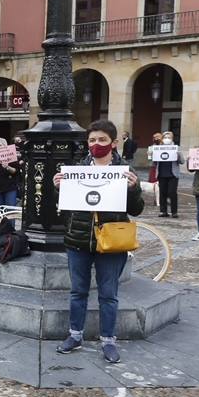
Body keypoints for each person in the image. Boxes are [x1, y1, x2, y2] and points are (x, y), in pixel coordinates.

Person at [52, 119, 144, 364]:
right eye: (92, 140)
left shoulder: (126, 171)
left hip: (112, 241)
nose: (96, 144)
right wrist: (58, 188)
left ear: (113, 143)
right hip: (79, 240)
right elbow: (63, 206)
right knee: (77, 291)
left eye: (102, 140)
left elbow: (137, 210)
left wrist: (134, 190)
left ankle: (108, 340)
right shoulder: (76, 169)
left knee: (108, 294)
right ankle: (75, 335)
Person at [157, 129, 181, 217]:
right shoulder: (158, 148)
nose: (167, 138)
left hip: (173, 174)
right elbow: (153, 162)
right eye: (165, 137)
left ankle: (174, 212)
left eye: (169, 137)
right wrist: (151, 154)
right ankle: (163, 211)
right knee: (162, 192)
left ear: (172, 138)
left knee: (172, 192)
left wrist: (178, 154)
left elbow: (181, 161)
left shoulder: (176, 147)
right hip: (162, 173)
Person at [147, 131, 163, 210]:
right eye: (155, 137)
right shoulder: (151, 147)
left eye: (158, 137)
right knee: (153, 183)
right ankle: (156, 199)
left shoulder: (165, 146)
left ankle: (163, 198)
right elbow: (150, 158)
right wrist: (149, 154)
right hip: (154, 166)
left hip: (162, 167)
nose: (156, 138)